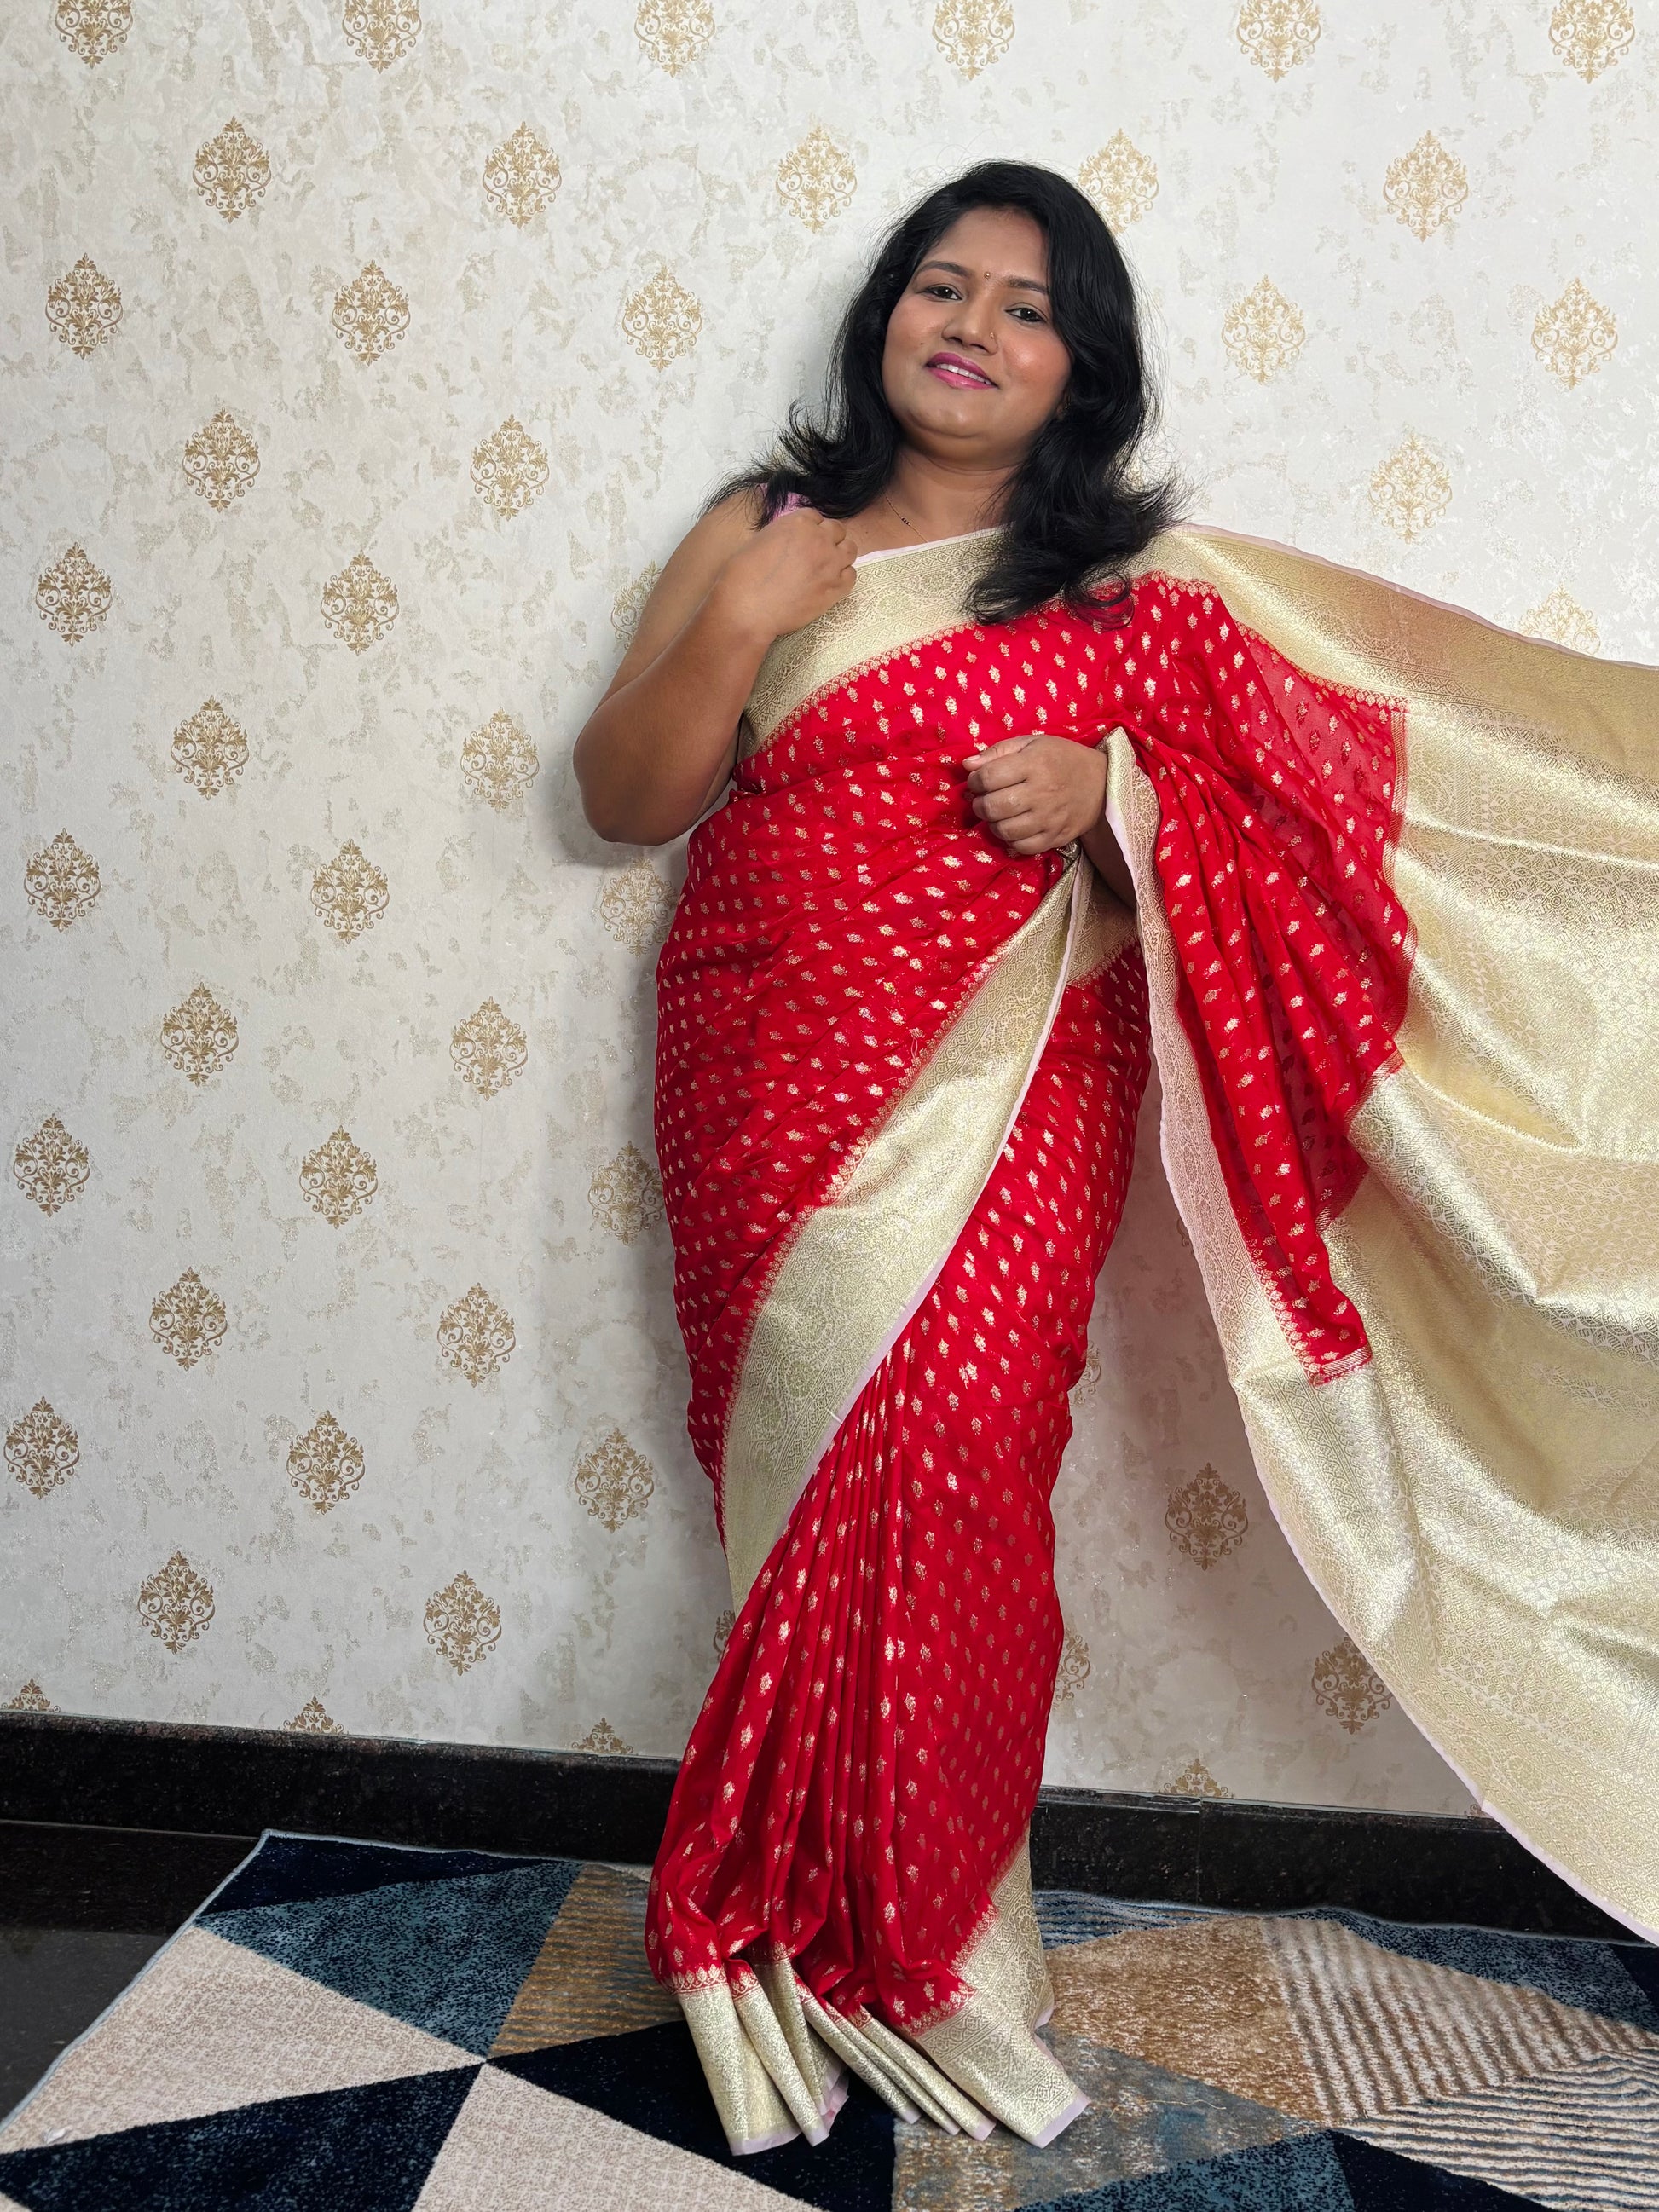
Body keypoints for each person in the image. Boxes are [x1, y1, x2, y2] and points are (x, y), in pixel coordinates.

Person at [575, 160, 1659, 2156]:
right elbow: (628, 795)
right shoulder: (764, 528)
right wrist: (737, 616)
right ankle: (792, 1927)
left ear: (1079, 370)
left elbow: (1301, 828)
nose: (972, 327)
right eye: (941, 286)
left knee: (964, 1460)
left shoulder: (1127, 597)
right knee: (805, 1462)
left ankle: (928, 1940)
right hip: (759, 1056)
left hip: (1012, 1075)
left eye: (1027, 306)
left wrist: (1113, 792)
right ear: (885, 318)